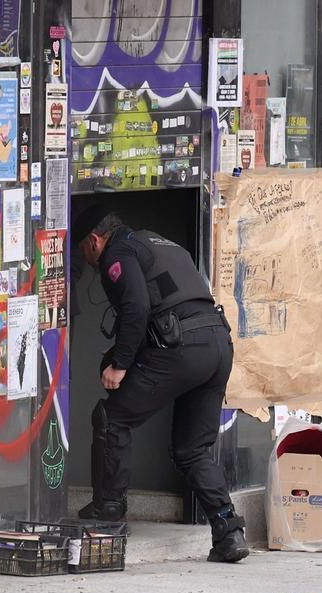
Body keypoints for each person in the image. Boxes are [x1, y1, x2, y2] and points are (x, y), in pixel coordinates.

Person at [74, 212, 249, 563]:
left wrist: (120, 365)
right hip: (217, 344)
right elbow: (166, 300)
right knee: (192, 449)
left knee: (111, 417)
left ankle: (108, 511)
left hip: (183, 347)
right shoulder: (157, 241)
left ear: (94, 241)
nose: (85, 259)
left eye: (82, 250)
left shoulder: (116, 255)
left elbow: (137, 307)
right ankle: (229, 532)